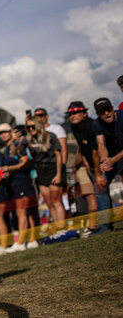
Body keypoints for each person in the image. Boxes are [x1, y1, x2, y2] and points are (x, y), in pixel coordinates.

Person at [21, 116, 67, 237]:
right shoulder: (28, 139)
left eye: (33, 126)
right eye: (28, 127)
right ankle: (57, 230)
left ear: (39, 125)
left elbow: (59, 156)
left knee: (56, 201)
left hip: (53, 169)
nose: (31, 129)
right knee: (49, 203)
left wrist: (58, 174)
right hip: (40, 172)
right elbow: (16, 150)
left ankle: (62, 229)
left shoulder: (50, 136)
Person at [0, 123, 39, 251]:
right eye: (1, 133)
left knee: (23, 211)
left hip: (23, 181)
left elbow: (25, 162)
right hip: (13, 184)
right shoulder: (5, 150)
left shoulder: (18, 146)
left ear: (11, 132)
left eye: (6, 131)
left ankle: (21, 243)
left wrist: (9, 168)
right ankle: (32, 240)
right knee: (24, 212)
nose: (4, 134)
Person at [66, 101, 103, 237]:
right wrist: (76, 166)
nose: (72, 116)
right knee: (89, 195)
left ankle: (103, 225)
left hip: (100, 162)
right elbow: (80, 148)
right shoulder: (74, 127)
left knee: (101, 194)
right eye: (70, 114)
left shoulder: (93, 125)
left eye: (75, 113)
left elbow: (97, 150)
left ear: (85, 113)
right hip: (83, 164)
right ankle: (93, 227)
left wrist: (96, 170)